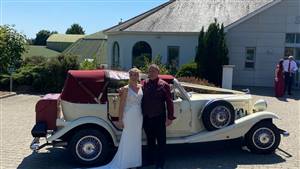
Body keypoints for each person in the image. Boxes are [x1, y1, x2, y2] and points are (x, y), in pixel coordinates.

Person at [91, 68, 143, 169]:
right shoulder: (125, 89)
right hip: (129, 116)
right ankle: (126, 162)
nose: (134, 76)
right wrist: (120, 119)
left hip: (139, 116)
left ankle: (134, 162)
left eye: (136, 75)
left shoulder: (141, 87)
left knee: (136, 139)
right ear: (129, 76)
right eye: (132, 74)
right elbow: (121, 105)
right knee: (128, 138)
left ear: (138, 76)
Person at [141, 64, 176, 169]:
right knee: (150, 141)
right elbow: (133, 90)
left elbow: (169, 102)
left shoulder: (164, 85)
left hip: (159, 117)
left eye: (153, 71)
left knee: (161, 142)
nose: (151, 73)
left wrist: (170, 117)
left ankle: (160, 163)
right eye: (149, 71)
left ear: (157, 72)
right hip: (147, 117)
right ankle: (150, 160)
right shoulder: (143, 83)